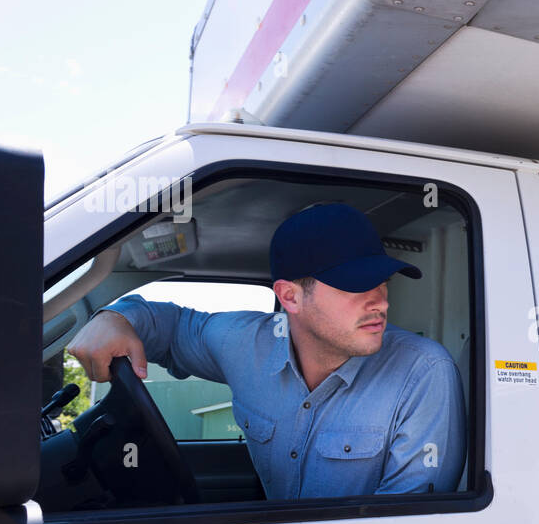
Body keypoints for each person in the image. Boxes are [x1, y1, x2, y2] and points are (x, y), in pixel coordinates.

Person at [66, 202, 466, 499]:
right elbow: (166, 324)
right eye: (355, 284)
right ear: (289, 297)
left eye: (382, 282)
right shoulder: (243, 342)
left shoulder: (423, 372)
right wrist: (113, 316)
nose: (380, 301)